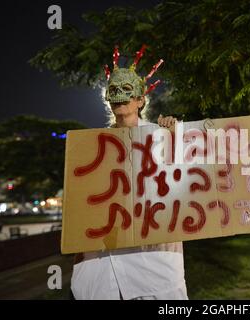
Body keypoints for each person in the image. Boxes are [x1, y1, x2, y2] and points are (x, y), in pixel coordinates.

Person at [70, 46, 188, 300]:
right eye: (114, 90)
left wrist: (175, 136)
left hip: (153, 265)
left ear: (141, 99)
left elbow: (186, 182)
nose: (120, 96)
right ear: (108, 100)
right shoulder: (92, 149)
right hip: (101, 268)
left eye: (127, 90)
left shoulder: (162, 137)